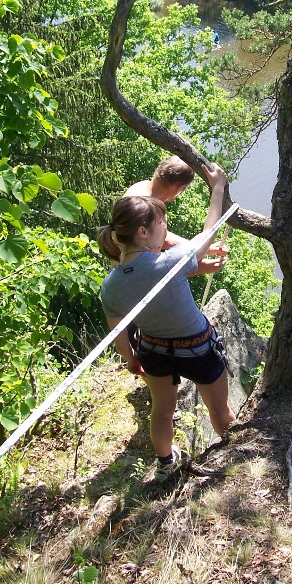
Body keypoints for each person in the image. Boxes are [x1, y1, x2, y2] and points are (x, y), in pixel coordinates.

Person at [97, 163, 236, 481]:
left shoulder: (111, 285)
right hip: (198, 349)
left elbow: (118, 329)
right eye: (163, 224)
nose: (167, 232)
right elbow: (209, 232)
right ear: (142, 232)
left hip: (153, 350)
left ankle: (165, 463)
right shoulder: (169, 260)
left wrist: (132, 360)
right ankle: (235, 458)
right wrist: (217, 188)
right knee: (220, 412)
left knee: (162, 410)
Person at [124, 155, 228, 276]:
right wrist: (199, 264)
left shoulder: (141, 188)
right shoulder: (149, 208)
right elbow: (163, 249)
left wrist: (206, 250)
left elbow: (163, 238)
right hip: (140, 276)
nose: (163, 228)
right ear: (180, 188)